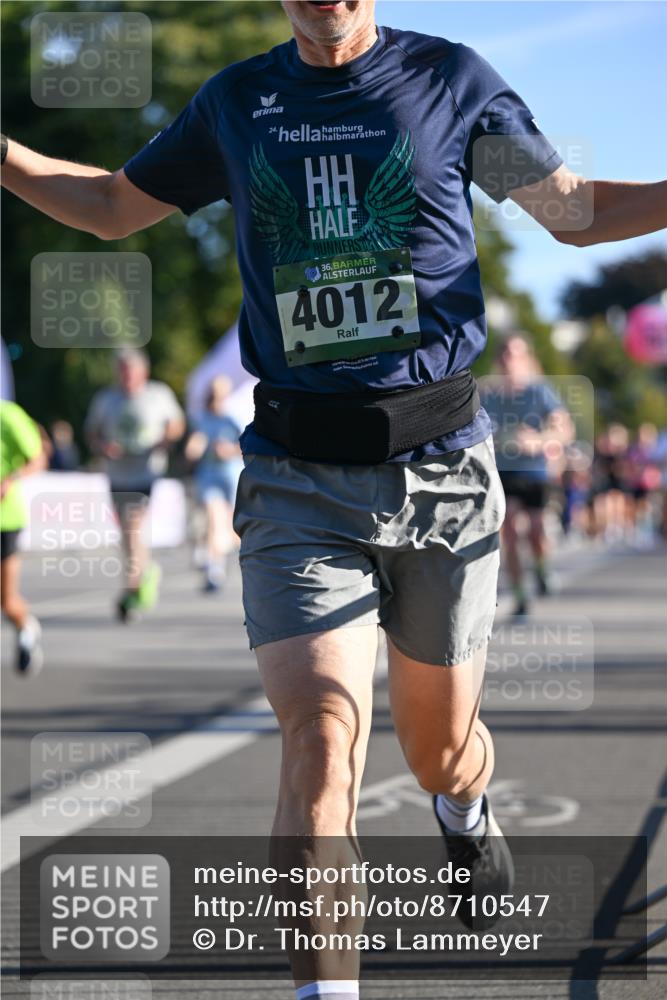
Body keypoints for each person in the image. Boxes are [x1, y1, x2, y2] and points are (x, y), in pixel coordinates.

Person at [2, 2, 666, 995]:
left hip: (440, 469)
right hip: (296, 478)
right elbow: (107, 206)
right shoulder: (240, 101)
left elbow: (573, 214)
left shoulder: (448, 81)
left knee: (440, 751)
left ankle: (462, 805)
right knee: (321, 734)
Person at [84, 349, 185, 621]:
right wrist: (103, 446)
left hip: (145, 473)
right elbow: (92, 433)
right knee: (127, 534)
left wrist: (165, 440)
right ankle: (145, 570)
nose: (126, 376)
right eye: (122, 371)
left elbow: (176, 424)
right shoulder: (106, 398)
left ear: (143, 372)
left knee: (131, 526)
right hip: (116, 474)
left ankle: (130, 590)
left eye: (130, 371)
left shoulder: (157, 394)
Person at [482, 333, 574, 615]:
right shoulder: (488, 392)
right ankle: (521, 596)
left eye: (517, 354)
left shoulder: (539, 391)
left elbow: (565, 431)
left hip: (533, 471)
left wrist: (539, 440)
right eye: (507, 354)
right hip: (501, 471)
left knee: (535, 529)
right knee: (509, 529)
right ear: (500, 359)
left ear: (527, 358)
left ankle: (542, 569)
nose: (511, 360)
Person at [0, 400, 47, 673]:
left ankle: (25, 626)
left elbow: (39, 458)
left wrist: (10, 479)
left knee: (7, 602)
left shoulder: (8, 415)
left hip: (5, 520)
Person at [185, 374, 242, 592]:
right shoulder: (202, 418)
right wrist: (192, 450)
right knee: (213, 518)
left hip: (230, 474)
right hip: (209, 474)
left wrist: (229, 451)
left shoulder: (233, 419)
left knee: (231, 526)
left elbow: (245, 447)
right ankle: (214, 569)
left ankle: (218, 555)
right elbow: (196, 441)